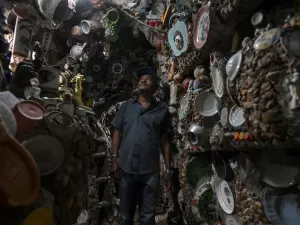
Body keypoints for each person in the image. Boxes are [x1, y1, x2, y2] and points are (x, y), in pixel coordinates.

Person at [111, 66, 172, 225]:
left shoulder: (162, 111)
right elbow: (117, 131)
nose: (142, 80)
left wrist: (168, 168)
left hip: (150, 171)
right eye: (141, 78)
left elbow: (165, 140)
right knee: (125, 216)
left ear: (155, 86)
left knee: (148, 216)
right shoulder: (126, 107)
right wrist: (114, 160)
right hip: (126, 168)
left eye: (148, 78)